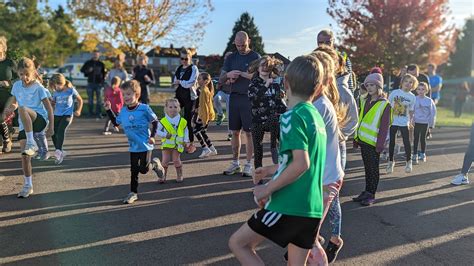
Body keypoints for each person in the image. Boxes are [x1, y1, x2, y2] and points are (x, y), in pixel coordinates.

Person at [228, 55, 327, 266]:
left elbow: (301, 164)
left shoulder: (291, 116)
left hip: (289, 205)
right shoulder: (316, 116)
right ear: (318, 88)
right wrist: (270, 169)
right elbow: (299, 161)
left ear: (286, 82)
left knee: (239, 244)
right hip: (312, 208)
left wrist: (267, 189)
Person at [310, 50, 348, 263]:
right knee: (307, 238)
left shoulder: (321, 105)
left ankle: (332, 238)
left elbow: (307, 154)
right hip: (323, 175)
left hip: (326, 176)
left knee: (308, 240)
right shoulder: (318, 103)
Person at [104, 80, 164, 204]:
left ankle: (155, 164)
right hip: (133, 146)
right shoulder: (124, 111)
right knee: (134, 170)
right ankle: (133, 193)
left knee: (144, 169)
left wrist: (152, 136)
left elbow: (155, 121)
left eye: (129, 94)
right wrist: (109, 110)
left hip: (146, 145)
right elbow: (116, 123)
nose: (126, 97)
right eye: (124, 94)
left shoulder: (144, 108)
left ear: (136, 95)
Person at [3, 57, 54, 198]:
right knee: (25, 156)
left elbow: (49, 109)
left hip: (39, 120)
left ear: (32, 73)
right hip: (24, 124)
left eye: (27, 74)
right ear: (18, 73)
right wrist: (10, 109)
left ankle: (32, 141)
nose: (24, 77)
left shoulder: (38, 88)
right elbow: (14, 103)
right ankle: (28, 185)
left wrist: (51, 128)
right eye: (21, 74)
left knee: (24, 109)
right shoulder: (17, 86)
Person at [220, 31, 260, 177]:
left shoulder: (255, 57)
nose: (240, 48)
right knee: (235, 132)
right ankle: (235, 163)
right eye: (237, 45)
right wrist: (229, 76)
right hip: (234, 97)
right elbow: (221, 79)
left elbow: (259, 78)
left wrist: (243, 75)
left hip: (249, 98)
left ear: (248, 41)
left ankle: (249, 164)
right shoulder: (231, 57)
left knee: (249, 133)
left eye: (243, 45)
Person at [353, 73, 391, 206]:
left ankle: (371, 194)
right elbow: (361, 119)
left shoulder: (385, 104)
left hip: (374, 143)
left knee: (373, 169)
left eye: (372, 85)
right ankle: (366, 191)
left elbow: (384, 127)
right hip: (363, 140)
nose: (369, 88)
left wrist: (380, 145)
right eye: (367, 85)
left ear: (378, 86)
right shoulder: (364, 100)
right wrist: (356, 138)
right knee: (367, 168)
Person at [248, 55, 286, 170]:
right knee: (258, 151)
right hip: (258, 121)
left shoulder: (275, 85)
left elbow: (279, 103)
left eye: (267, 65)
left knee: (275, 120)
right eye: (262, 65)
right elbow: (253, 100)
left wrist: (289, 111)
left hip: (272, 121)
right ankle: (258, 179)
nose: (265, 68)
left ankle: (274, 148)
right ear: (258, 68)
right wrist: (265, 85)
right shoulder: (253, 83)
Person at [50, 73, 83, 164]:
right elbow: (53, 103)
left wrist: (79, 110)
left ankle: (58, 152)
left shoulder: (71, 90)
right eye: (54, 86)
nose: (56, 87)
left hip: (67, 115)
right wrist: (52, 103)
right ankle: (59, 150)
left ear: (63, 83)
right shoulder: (55, 92)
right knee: (53, 132)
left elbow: (80, 100)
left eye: (58, 85)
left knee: (61, 130)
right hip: (57, 114)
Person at [387, 74, 417, 174]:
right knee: (392, 142)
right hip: (393, 122)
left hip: (405, 122)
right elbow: (387, 106)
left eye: (410, 82)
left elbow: (411, 111)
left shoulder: (412, 97)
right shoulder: (395, 93)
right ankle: (391, 161)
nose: (408, 84)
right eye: (406, 81)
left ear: (413, 85)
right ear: (402, 82)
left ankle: (408, 162)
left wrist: (411, 121)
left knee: (406, 142)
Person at [156, 98, 190, 183]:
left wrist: (186, 140)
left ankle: (179, 174)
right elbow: (157, 131)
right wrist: (164, 135)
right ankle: (163, 176)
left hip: (178, 144)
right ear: (166, 108)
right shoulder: (163, 121)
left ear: (178, 108)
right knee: (165, 161)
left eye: (175, 107)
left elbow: (186, 131)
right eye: (170, 107)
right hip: (166, 145)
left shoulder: (182, 121)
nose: (173, 109)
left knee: (176, 160)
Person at [173, 48, 199, 153]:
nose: (184, 61)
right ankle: (178, 141)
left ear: (190, 58)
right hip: (179, 94)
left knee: (188, 120)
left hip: (190, 97)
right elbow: (175, 80)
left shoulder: (194, 68)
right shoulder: (179, 68)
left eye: (186, 59)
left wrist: (180, 82)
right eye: (182, 58)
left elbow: (190, 83)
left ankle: (190, 144)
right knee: (174, 117)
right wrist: (180, 82)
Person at [193, 72, 218, 158]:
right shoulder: (203, 89)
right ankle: (212, 149)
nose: (198, 80)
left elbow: (205, 107)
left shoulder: (204, 91)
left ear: (205, 81)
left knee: (195, 131)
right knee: (202, 132)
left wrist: (205, 120)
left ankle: (205, 149)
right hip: (205, 114)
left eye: (199, 79)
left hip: (205, 115)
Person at [412, 82, 436, 164]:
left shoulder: (429, 101)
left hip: (425, 123)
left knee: (423, 138)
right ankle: (414, 154)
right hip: (416, 122)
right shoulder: (414, 99)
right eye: (419, 89)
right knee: (415, 138)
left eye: (423, 89)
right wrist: (412, 120)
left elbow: (433, 113)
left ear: (426, 90)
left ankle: (422, 153)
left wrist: (431, 124)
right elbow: (411, 111)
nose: (421, 91)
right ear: (416, 90)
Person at [0, 36, 15, 154]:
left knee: (1, 117)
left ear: (3, 48)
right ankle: (3, 141)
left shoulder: (10, 63)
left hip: (8, 94)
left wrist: (8, 83)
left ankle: (6, 140)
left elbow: (20, 78)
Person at [80, 50, 105, 118]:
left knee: (99, 100)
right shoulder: (88, 63)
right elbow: (82, 70)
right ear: (92, 54)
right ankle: (90, 113)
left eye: (97, 54)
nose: (95, 55)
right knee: (90, 99)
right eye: (94, 54)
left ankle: (98, 113)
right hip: (90, 83)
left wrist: (102, 82)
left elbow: (104, 74)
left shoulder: (101, 64)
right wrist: (88, 71)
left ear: (99, 55)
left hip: (99, 84)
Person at [214, 52, 233, 127]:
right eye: (225, 57)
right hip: (223, 91)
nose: (226, 58)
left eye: (228, 57)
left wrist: (231, 81)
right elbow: (220, 80)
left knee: (229, 114)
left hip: (231, 94)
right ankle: (220, 114)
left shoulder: (235, 68)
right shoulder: (223, 68)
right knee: (216, 98)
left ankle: (230, 133)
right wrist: (218, 83)